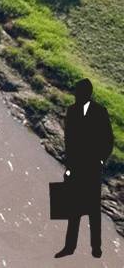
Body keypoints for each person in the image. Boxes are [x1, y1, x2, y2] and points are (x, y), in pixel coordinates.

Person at [60, 77, 112, 258]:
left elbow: (108, 140)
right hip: (76, 165)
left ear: (86, 94)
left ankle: (96, 248)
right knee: (73, 209)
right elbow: (69, 141)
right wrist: (68, 166)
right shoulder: (72, 111)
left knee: (93, 210)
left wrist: (100, 161)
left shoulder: (100, 112)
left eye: (78, 93)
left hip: (92, 166)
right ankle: (69, 247)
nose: (75, 96)